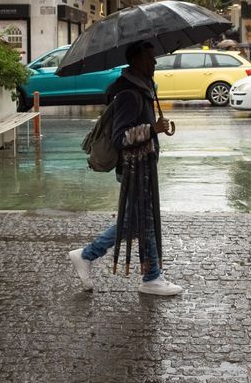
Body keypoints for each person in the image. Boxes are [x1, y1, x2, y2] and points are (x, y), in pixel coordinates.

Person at [69, 42, 183, 296]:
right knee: (143, 222)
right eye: (150, 58)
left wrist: (155, 127)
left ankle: (146, 274)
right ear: (138, 61)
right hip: (134, 171)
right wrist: (152, 130)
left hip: (142, 168)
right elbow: (121, 138)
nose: (154, 63)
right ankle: (146, 275)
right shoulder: (129, 95)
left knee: (138, 223)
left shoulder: (141, 90)